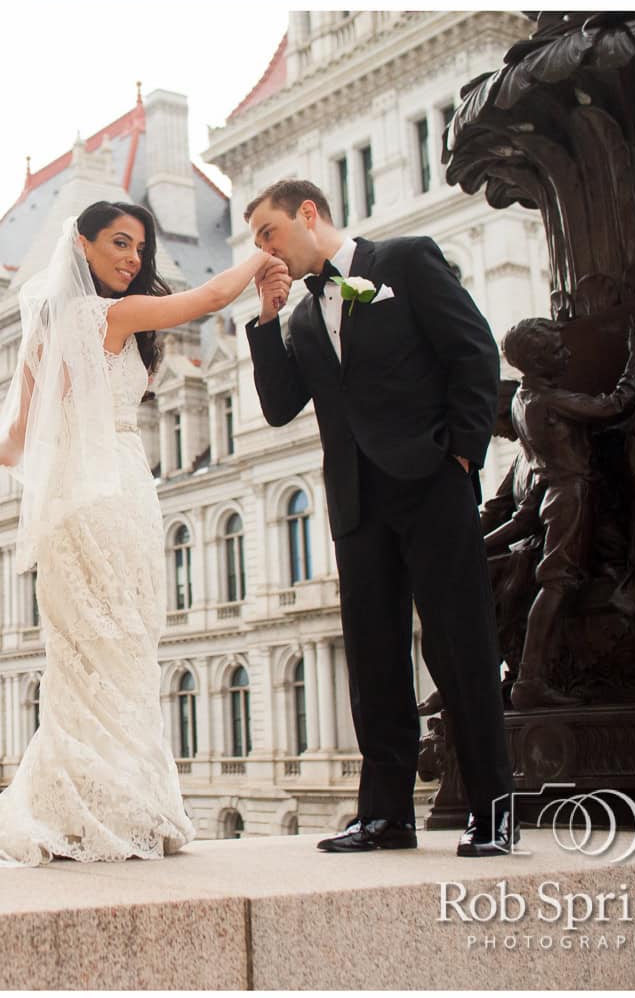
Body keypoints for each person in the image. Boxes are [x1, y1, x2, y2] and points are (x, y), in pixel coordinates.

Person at [0, 199, 274, 866]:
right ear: (82, 245)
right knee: (125, 653)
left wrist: (70, 433)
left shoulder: (48, 328)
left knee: (83, 660)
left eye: (139, 247)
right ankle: (118, 810)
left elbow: (10, 447)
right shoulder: (104, 315)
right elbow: (213, 295)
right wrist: (268, 251)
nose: (133, 258)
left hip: (75, 506)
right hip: (116, 495)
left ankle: (86, 811)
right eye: (119, 243)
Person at [244, 178, 514, 857]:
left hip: (432, 483)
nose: (264, 251)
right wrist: (266, 319)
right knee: (374, 660)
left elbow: (474, 354)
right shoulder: (302, 317)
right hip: (356, 503)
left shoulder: (404, 261)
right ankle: (387, 816)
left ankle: (496, 813)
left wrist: (461, 458)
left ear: (309, 214)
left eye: (268, 234)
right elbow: (279, 406)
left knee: (459, 646)